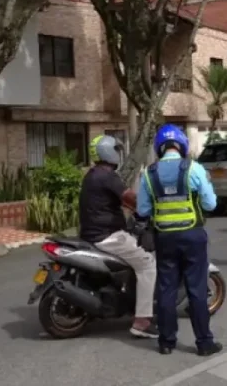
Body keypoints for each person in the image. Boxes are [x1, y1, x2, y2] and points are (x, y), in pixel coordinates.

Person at [136, 125, 223, 356]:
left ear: (159, 147)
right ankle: (204, 343)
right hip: (192, 236)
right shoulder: (193, 169)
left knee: (166, 290)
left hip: (164, 238)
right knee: (196, 289)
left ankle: (166, 342)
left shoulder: (148, 173)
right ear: (182, 145)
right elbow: (210, 205)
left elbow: (143, 210)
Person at [78, 135, 157, 338]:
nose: (118, 153)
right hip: (108, 236)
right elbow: (130, 197)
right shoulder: (108, 176)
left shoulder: (92, 175)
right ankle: (142, 321)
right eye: (116, 149)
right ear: (108, 152)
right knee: (147, 264)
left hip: (92, 234)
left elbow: (118, 202)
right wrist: (151, 205)